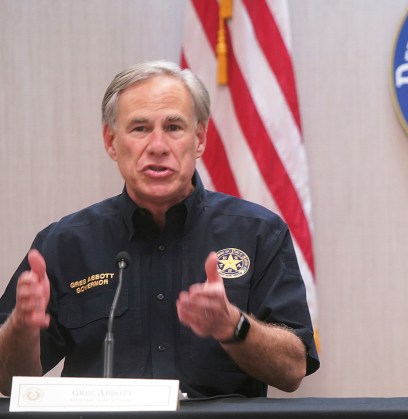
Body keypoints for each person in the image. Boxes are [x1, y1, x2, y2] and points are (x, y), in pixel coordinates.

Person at [0, 61, 319, 398]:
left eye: (174, 127)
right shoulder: (65, 243)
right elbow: (8, 381)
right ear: (111, 141)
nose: (157, 145)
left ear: (199, 139)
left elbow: (292, 371)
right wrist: (19, 331)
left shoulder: (258, 233)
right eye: (140, 128)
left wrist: (233, 326)